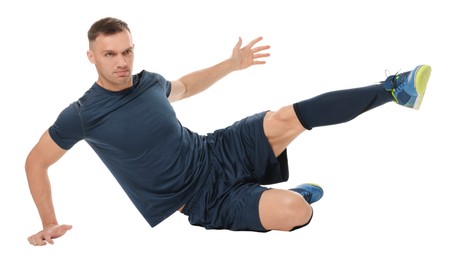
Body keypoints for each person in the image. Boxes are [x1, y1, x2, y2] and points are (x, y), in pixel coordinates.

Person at [25, 17, 432, 246]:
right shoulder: (81, 115)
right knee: (296, 213)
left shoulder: (149, 82)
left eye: (127, 51)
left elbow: (184, 86)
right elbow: (36, 162)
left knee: (285, 117)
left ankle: (394, 89)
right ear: (91, 56)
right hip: (201, 200)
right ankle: (288, 195)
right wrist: (48, 221)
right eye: (110, 54)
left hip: (217, 150)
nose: (121, 61)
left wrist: (231, 64)